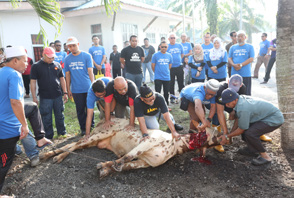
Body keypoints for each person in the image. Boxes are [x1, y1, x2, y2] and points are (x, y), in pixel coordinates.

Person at [220, 88, 284, 166]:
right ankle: (252, 149)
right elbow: (239, 120)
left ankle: (266, 157)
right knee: (246, 130)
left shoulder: (243, 108)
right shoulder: (240, 99)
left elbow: (241, 129)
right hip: (265, 116)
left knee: (250, 133)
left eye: (228, 103)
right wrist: (230, 134)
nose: (226, 105)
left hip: (274, 119)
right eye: (225, 103)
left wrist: (227, 136)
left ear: (235, 100)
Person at [0, 46, 29, 193]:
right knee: (3, 164)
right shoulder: (14, 75)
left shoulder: (1, 72)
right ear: (15, 60)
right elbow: (15, 102)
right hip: (6, 128)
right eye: (25, 61)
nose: (26, 65)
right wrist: (24, 125)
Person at [216, 74, 272, 145]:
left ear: (241, 85)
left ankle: (258, 133)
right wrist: (225, 132)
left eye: (235, 89)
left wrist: (231, 134)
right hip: (223, 103)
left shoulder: (243, 88)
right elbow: (220, 112)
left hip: (234, 104)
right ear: (228, 81)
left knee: (244, 114)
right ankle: (217, 135)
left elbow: (241, 110)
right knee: (216, 114)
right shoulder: (220, 89)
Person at [30, 47, 68, 139]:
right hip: (45, 97)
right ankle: (48, 136)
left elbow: (62, 79)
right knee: (46, 117)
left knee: (60, 115)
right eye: (49, 57)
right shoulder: (36, 66)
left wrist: (65, 92)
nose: (52, 59)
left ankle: (62, 133)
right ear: (43, 55)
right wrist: (34, 97)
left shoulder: (57, 65)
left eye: (53, 57)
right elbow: (33, 82)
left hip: (58, 95)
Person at [64, 37, 94, 135]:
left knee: (89, 108)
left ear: (78, 44)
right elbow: (67, 75)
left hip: (88, 87)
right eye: (70, 46)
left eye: (74, 45)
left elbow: (90, 71)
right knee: (80, 110)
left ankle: (91, 127)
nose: (72, 48)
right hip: (76, 89)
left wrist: (93, 84)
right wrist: (68, 89)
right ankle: (83, 128)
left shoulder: (86, 56)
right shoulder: (67, 59)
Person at [84, 77, 113, 141]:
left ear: (105, 90)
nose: (102, 96)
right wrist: (87, 134)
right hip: (101, 101)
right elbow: (89, 115)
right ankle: (106, 133)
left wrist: (111, 112)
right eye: (99, 95)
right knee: (103, 117)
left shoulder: (110, 85)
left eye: (103, 94)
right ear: (94, 92)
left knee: (119, 113)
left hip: (114, 96)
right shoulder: (90, 95)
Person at [228, 30, 255, 95]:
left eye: (241, 36)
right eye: (238, 36)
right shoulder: (232, 47)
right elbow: (229, 58)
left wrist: (241, 65)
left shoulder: (250, 47)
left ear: (245, 37)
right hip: (234, 74)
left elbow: (251, 58)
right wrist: (233, 65)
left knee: (246, 93)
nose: (240, 38)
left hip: (245, 74)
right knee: (234, 93)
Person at [152, 41, 173, 105]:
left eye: (165, 47)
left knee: (166, 92)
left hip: (166, 77)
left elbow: (170, 66)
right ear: (160, 47)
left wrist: (165, 72)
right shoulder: (155, 55)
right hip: (158, 77)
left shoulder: (169, 55)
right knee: (157, 92)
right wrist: (157, 73)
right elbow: (153, 66)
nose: (164, 48)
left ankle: (166, 104)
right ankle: (157, 104)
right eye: (162, 47)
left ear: (167, 47)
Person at [167, 32, 184, 103]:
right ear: (169, 39)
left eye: (174, 38)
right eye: (171, 38)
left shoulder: (179, 45)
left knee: (181, 82)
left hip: (179, 66)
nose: (173, 39)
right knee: (171, 83)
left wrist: (178, 60)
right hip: (171, 68)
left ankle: (182, 96)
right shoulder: (167, 46)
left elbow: (182, 54)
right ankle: (172, 97)